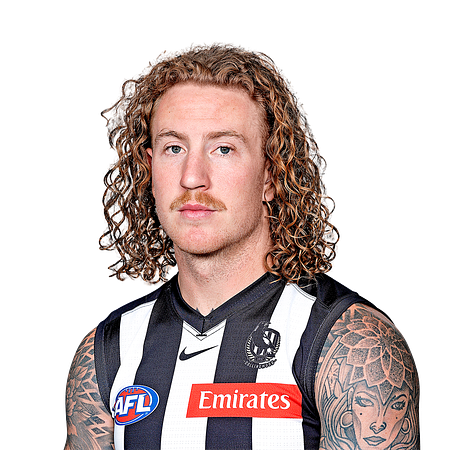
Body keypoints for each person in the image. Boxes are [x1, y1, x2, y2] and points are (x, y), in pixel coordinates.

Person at [63, 42, 420, 450]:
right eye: (174, 148)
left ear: (270, 175)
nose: (192, 177)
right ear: (149, 170)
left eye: (223, 149)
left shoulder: (349, 345)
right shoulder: (105, 352)